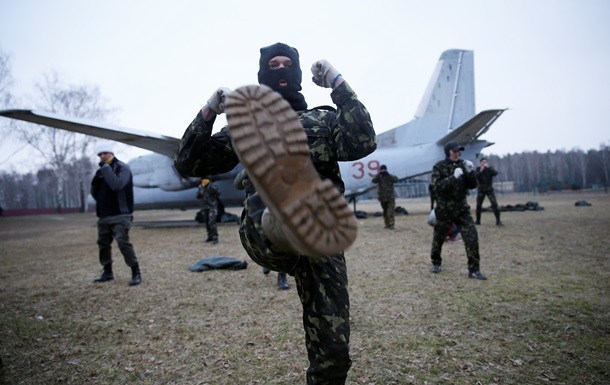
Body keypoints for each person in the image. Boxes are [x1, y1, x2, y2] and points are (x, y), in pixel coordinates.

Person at [174, 42, 376, 385]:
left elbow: (362, 141)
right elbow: (189, 162)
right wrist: (209, 111)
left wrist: (339, 83)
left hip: (321, 239)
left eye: (287, 64)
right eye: (273, 64)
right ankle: (281, 219)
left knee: (334, 354)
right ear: (263, 75)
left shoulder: (324, 119)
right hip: (265, 230)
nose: (280, 69)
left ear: (296, 74)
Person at [429, 141, 487, 280]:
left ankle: (474, 270)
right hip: (444, 209)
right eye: (454, 151)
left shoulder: (463, 164)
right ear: (448, 152)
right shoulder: (439, 166)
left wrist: (471, 172)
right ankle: (436, 262)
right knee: (439, 237)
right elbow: (437, 187)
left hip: (461, 208)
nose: (457, 153)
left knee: (471, 237)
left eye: (459, 151)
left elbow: (472, 185)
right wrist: (453, 177)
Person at [90, 146, 142, 286]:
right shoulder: (100, 171)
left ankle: (135, 272)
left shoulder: (122, 168)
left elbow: (116, 185)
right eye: (100, 154)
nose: (102, 156)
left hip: (121, 214)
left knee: (122, 242)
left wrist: (106, 169)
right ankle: (107, 272)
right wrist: (101, 202)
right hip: (104, 215)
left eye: (105, 153)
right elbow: (94, 189)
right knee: (103, 245)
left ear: (111, 153)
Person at [475, 157, 503, 226]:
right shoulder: (478, 169)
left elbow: (495, 173)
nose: (484, 163)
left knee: (494, 204)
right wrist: (481, 170)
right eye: (483, 162)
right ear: (480, 163)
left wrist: (489, 168)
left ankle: (498, 220)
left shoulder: (490, 169)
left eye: (485, 162)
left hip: (489, 189)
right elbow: (475, 177)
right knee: (479, 205)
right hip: (481, 189)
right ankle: (478, 221)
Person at [372, 164, 399, 230]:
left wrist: (388, 174)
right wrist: (378, 175)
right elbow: (373, 181)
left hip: (390, 197)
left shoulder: (389, 176)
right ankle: (387, 224)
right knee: (385, 211)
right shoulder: (379, 177)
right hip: (382, 197)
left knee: (390, 211)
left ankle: (391, 225)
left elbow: (396, 179)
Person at [197, 178, 220, 244]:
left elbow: (218, 193)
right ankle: (210, 236)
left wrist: (213, 190)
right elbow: (198, 196)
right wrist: (200, 193)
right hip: (205, 207)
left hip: (212, 207)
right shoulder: (201, 186)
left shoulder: (213, 185)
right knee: (207, 222)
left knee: (212, 222)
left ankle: (215, 237)